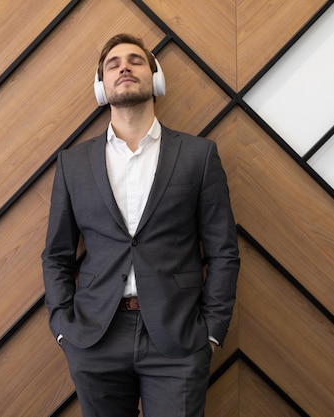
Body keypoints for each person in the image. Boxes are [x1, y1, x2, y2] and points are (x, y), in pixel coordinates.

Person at [42, 33, 239, 417]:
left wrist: (211, 331)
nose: (124, 68)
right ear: (101, 86)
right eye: (113, 64)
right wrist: (64, 326)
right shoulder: (73, 163)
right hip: (95, 336)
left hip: (178, 336)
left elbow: (223, 251)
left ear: (155, 78)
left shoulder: (198, 156)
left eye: (135, 61)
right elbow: (57, 254)